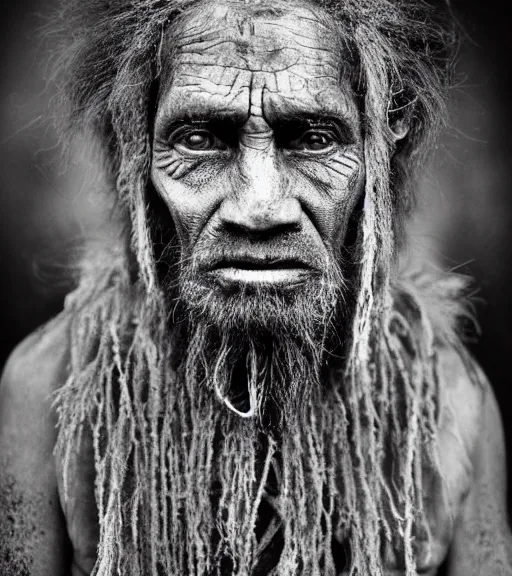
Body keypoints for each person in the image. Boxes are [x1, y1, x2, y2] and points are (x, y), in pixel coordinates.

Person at [1, 0, 511, 574]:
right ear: (136, 146)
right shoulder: (50, 390)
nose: (259, 206)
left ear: (380, 143)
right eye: (199, 138)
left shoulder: (448, 405)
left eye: (314, 139)